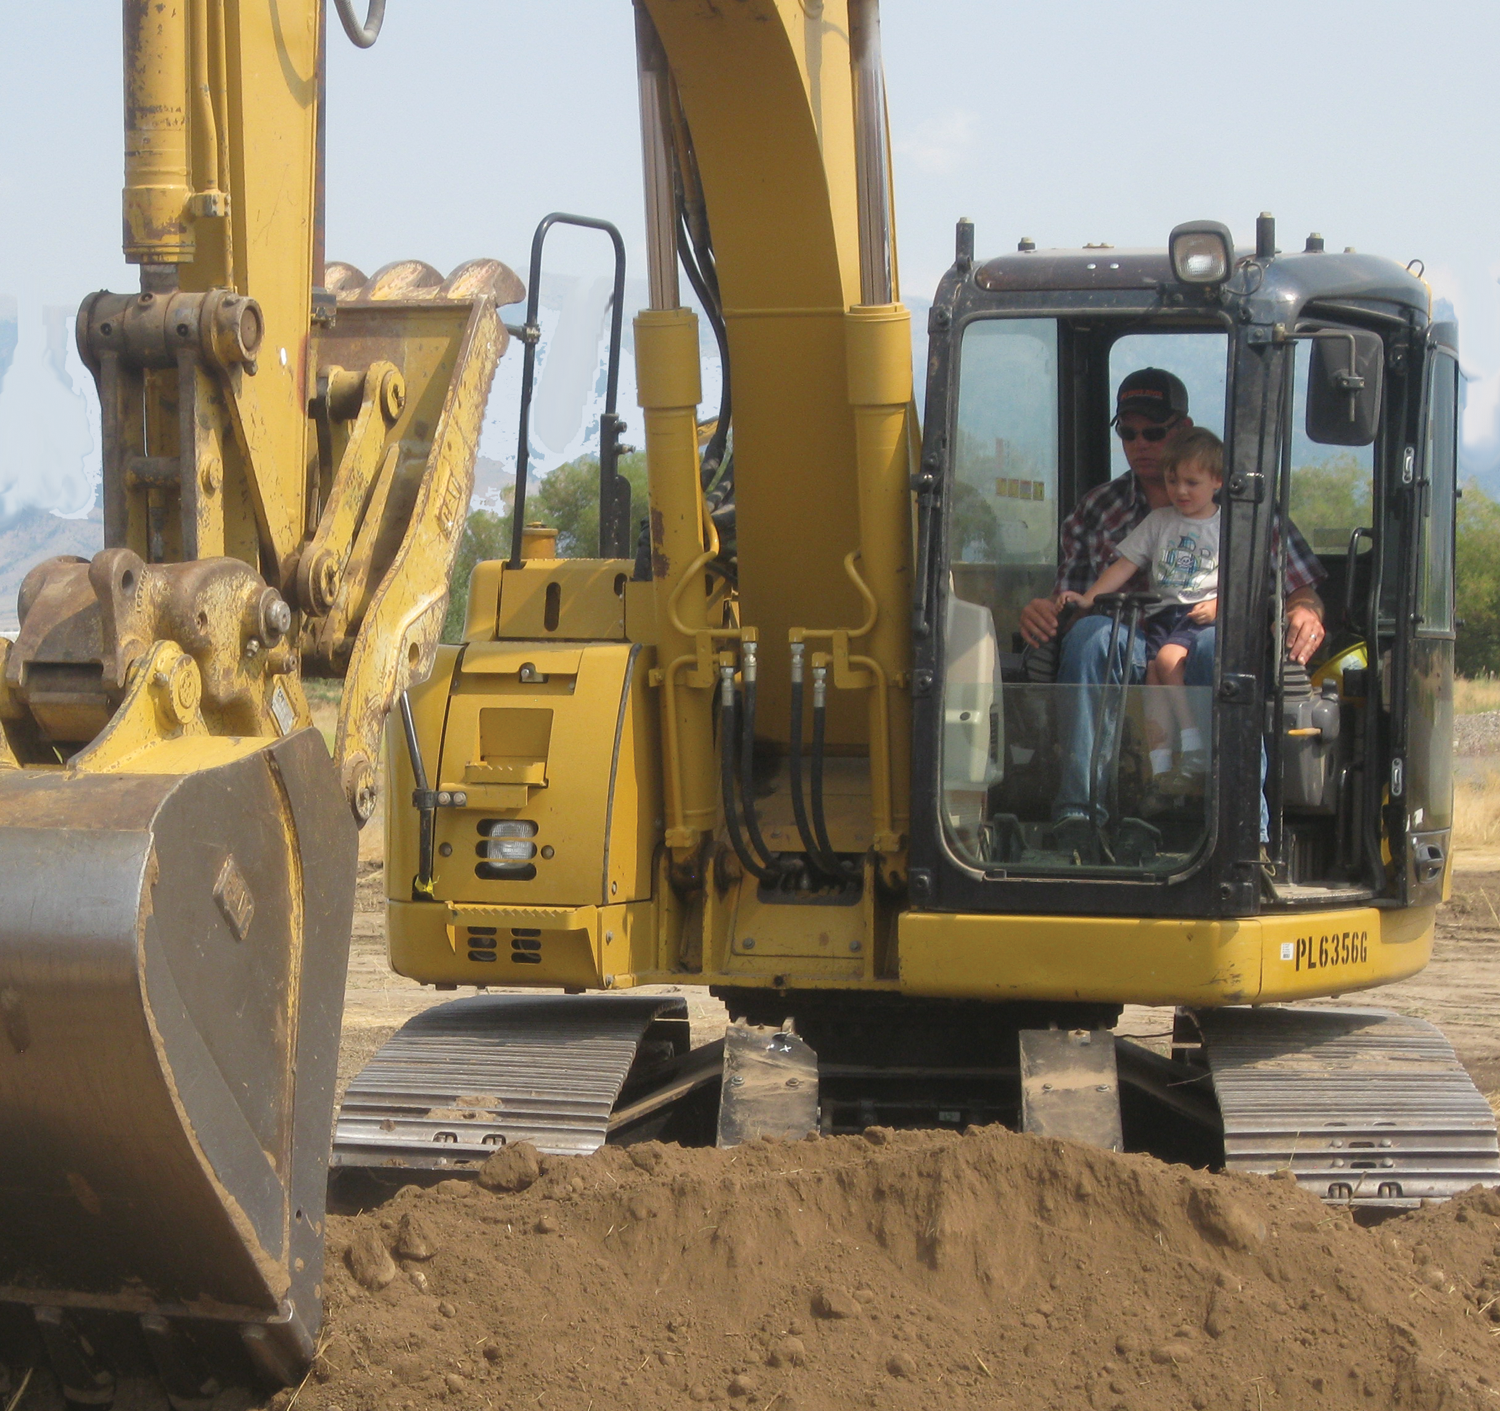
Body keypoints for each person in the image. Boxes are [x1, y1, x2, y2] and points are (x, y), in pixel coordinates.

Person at [1018, 367, 1326, 835]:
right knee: (1089, 638)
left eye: (1154, 431)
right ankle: (1080, 814)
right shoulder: (1098, 509)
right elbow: (1081, 598)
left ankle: (1237, 822)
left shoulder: (1245, 510)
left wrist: (1305, 610)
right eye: (1128, 432)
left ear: (1182, 430)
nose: (1140, 442)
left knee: (1216, 649)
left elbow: (1299, 586)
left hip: (1200, 633)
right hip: (1128, 640)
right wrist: (1050, 606)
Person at [1061, 427, 1224, 798]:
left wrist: (1218, 605)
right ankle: (1163, 770)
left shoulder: (1226, 526)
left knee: (1168, 661)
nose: (1180, 491)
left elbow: (1243, 576)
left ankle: (1196, 748)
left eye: (1191, 482)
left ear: (1217, 481)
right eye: (1172, 482)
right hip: (1163, 615)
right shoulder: (1159, 522)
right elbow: (1124, 566)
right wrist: (1090, 599)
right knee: (1153, 678)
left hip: (1198, 618)